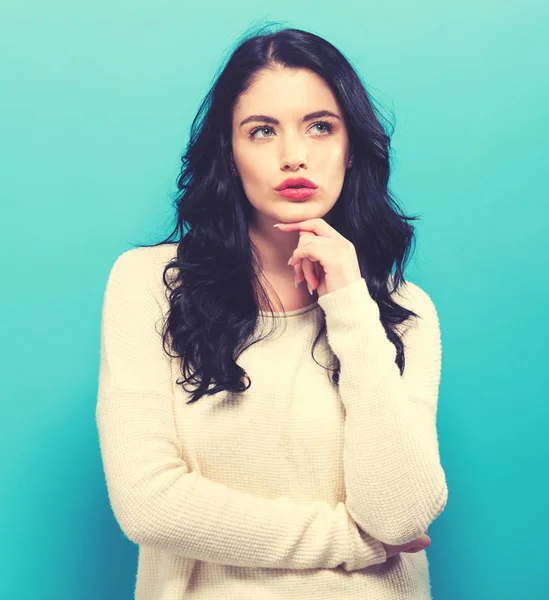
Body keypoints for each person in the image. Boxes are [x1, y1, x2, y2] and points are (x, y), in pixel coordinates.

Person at [96, 24, 448, 600]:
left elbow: (401, 515)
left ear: (351, 149)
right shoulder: (149, 285)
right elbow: (148, 504)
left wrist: (350, 306)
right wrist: (351, 542)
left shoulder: (405, 311)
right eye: (262, 131)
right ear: (230, 154)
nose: (294, 156)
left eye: (320, 127)